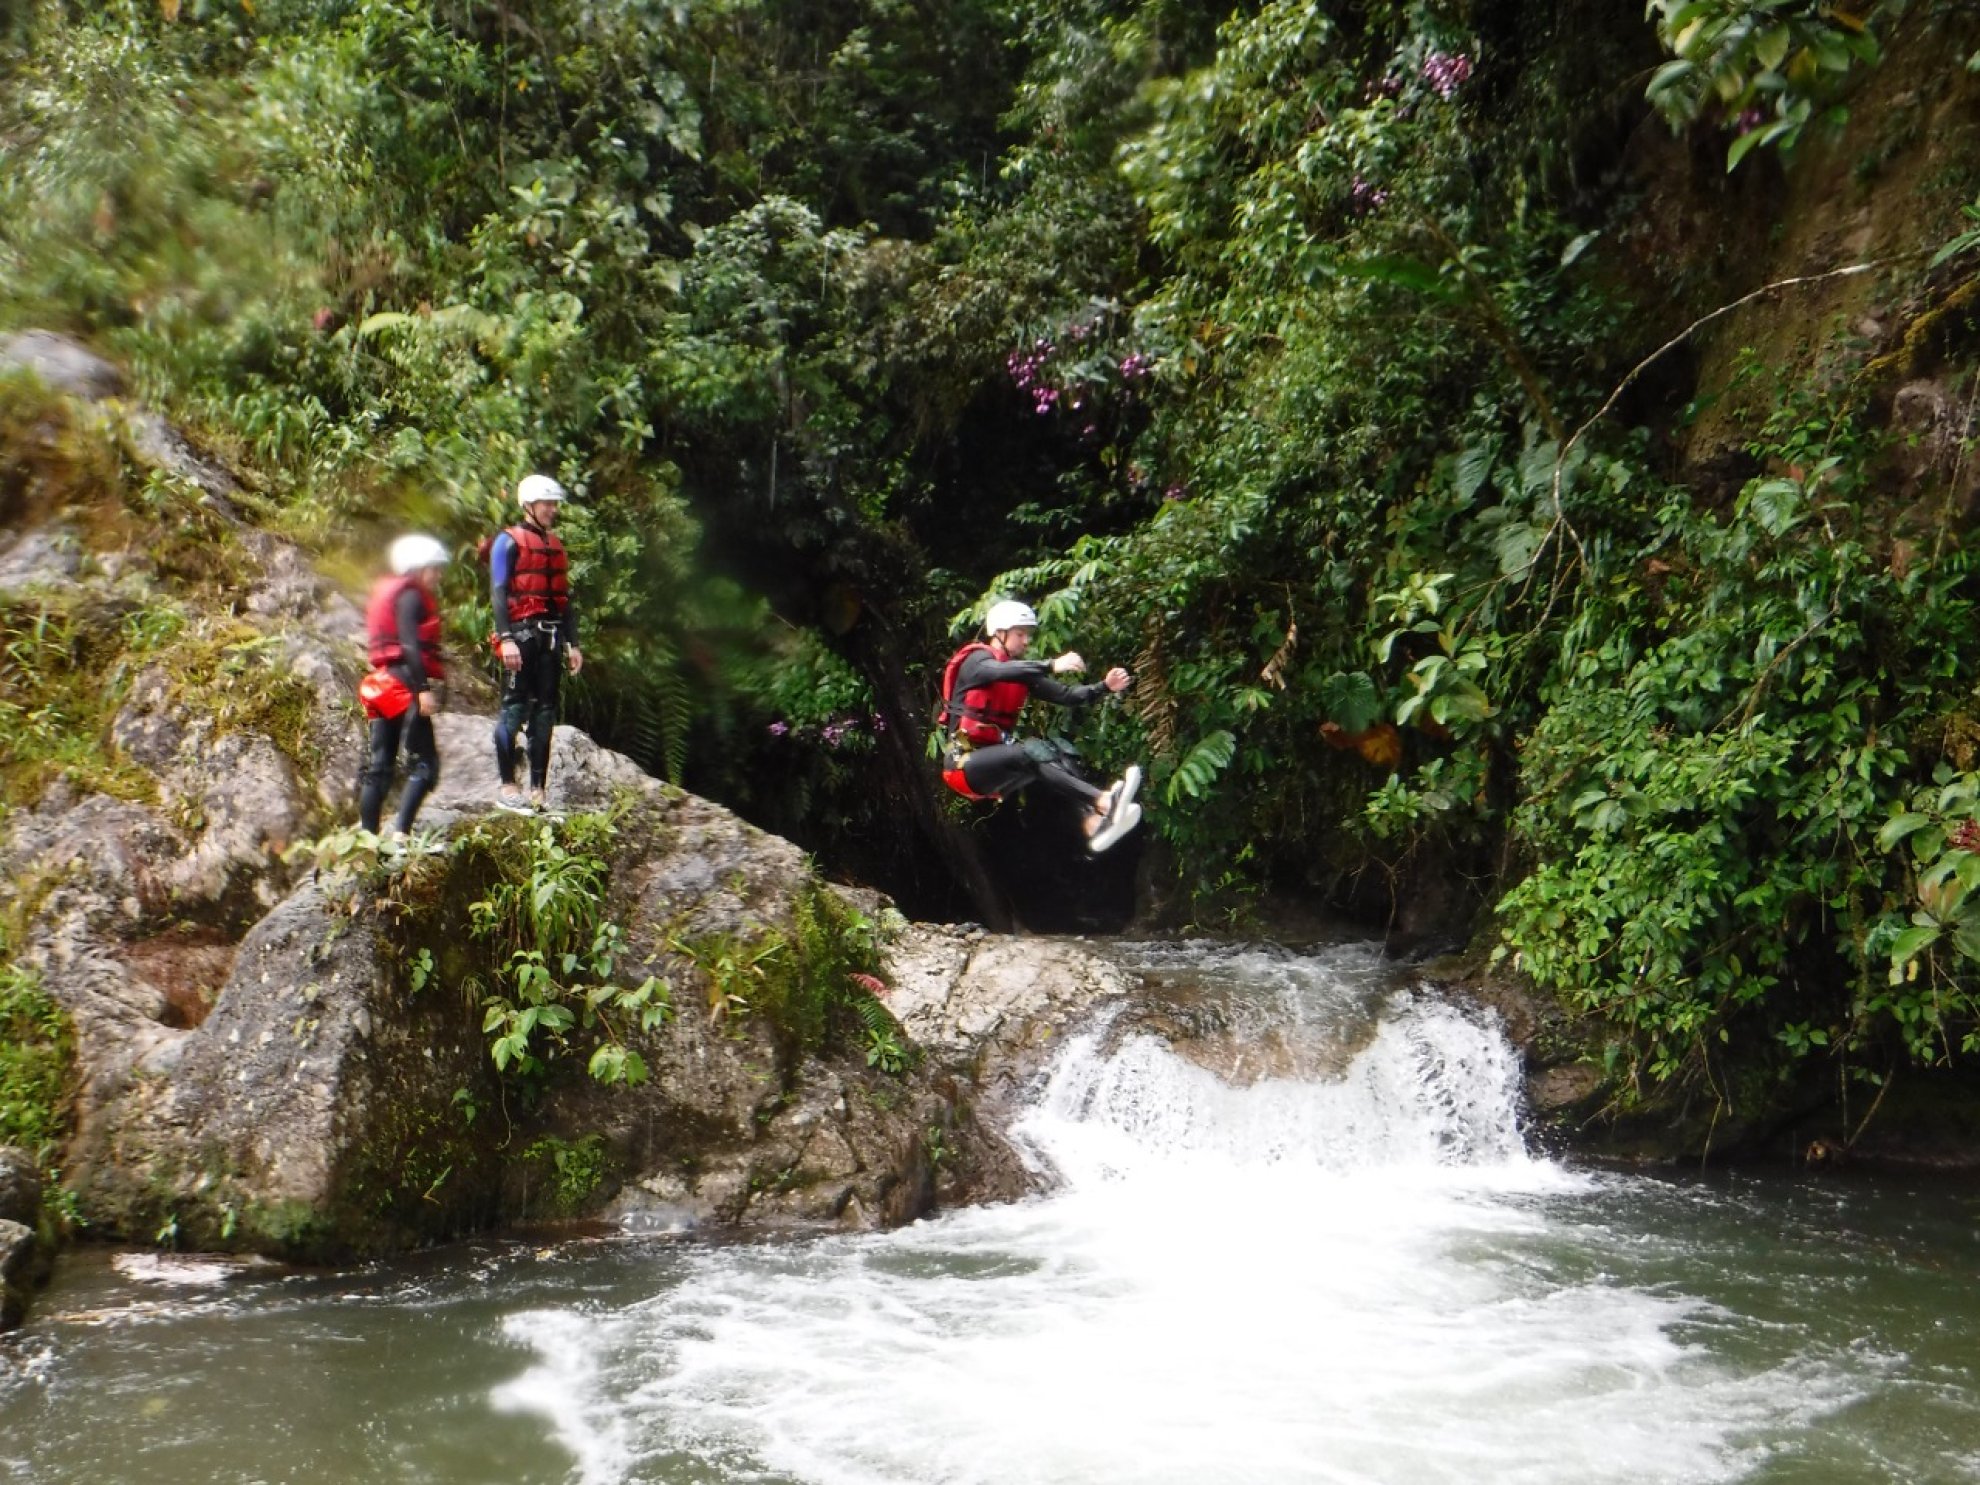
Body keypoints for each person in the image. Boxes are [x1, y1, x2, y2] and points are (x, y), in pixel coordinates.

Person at [937, 599, 1144, 852]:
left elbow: (1067, 695)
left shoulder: (1021, 675)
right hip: (963, 766)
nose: (1026, 641)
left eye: (1027, 635)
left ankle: (1093, 822)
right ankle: (1102, 800)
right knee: (1029, 751)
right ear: (999, 633)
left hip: (995, 768)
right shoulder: (977, 661)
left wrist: (1104, 687)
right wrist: (1051, 665)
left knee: (1059, 754)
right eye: (1020, 634)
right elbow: (998, 672)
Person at [489, 473, 583, 812]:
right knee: (514, 709)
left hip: (550, 640)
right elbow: (498, 592)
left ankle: (538, 791)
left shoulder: (554, 545)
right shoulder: (508, 542)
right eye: (547, 504)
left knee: (545, 713)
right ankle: (507, 785)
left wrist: (573, 644)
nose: (553, 509)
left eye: (554, 504)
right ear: (529, 505)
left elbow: (564, 600)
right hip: (521, 637)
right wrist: (506, 639)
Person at [358, 534, 449, 837]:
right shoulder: (410, 596)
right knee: (426, 764)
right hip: (405, 682)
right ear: (417, 568)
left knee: (380, 766)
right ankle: (401, 836)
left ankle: (368, 840)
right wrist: (422, 688)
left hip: (383, 682)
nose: (437, 575)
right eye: (433, 569)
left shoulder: (394, 593)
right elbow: (410, 643)